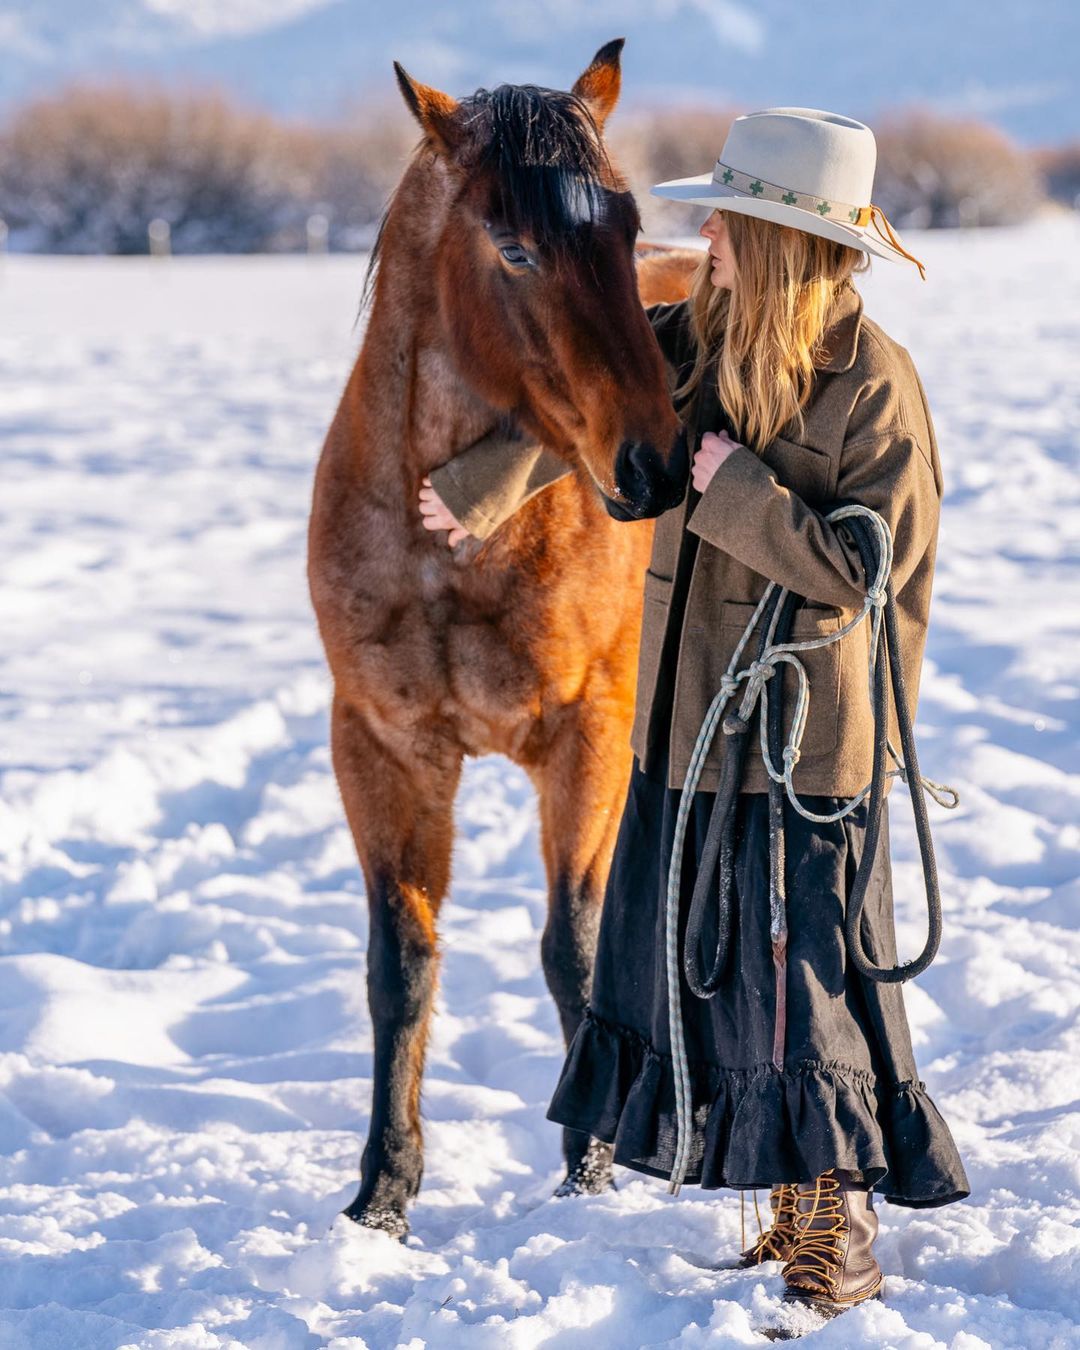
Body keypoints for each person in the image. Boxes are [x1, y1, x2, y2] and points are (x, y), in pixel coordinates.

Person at [418, 107, 969, 1315]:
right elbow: (591, 404)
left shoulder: (875, 387)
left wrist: (734, 491)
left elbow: (863, 570)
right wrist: (478, 490)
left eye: (728, 221)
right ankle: (784, 1206)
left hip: (809, 745)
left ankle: (839, 1235)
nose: (704, 236)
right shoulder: (701, 341)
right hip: (689, 728)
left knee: (806, 984)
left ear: (777, 240)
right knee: (727, 981)